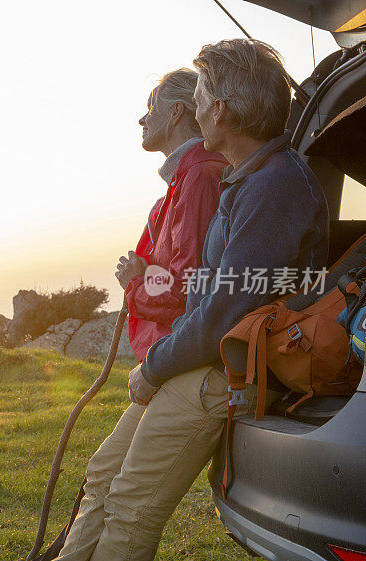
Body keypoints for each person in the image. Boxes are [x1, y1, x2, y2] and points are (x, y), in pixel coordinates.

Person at [54, 39, 328, 561]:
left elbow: (225, 307)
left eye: (201, 93)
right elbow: (208, 293)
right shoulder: (247, 180)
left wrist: (154, 365)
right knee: (104, 474)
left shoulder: (275, 187)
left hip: (223, 370)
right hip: (206, 357)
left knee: (132, 503)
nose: (197, 106)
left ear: (219, 108)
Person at [115, 69, 227, 362]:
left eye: (152, 107)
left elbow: (186, 293)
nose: (143, 119)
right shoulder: (182, 184)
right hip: (171, 350)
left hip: (183, 354)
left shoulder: (199, 178)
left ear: (176, 111)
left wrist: (134, 283)